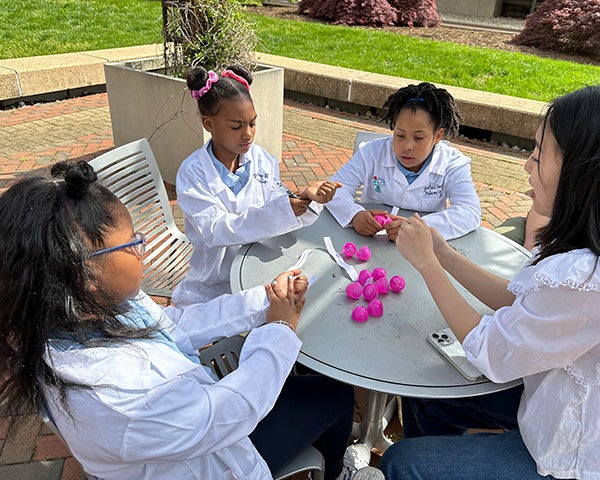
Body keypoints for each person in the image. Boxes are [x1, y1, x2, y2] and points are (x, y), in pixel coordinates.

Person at [0, 161, 383, 480]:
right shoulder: (119, 403)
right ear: (85, 274)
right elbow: (231, 412)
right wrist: (278, 331)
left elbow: (172, 324)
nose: (141, 248)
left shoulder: (81, 307)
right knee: (334, 394)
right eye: (132, 242)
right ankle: (337, 472)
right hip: (215, 456)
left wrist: (263, 300)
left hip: (200, 428)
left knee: (323, 391)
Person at [380, 84, 600, 479]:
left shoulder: (583, 278)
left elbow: (493, 352)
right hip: (551, 392)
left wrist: (428, 266)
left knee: (402, 462)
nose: (526, 166)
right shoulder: (578, 246)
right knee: (425, 396)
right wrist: (445, 256)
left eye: (537, 154)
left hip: (571, 451)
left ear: (580, 171)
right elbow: (517, 299)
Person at [172, 65, 342, 305]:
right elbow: (216, 230)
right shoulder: (193, 173)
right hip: (213, 282)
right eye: (236, 126)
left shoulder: (261, 159)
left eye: (252, 123)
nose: (248, 134)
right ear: (208, 124)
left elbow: (276, 202)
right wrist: (281, 211)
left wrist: (305, 199)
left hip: (261, 267)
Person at [325, 82, 481, 240]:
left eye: (419, 138)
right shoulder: (371, 152)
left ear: (438, 136)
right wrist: (354, 215)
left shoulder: (453, 163)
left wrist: (418, 228)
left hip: (422, 249)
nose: (407, 146)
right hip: (371, 241)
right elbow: (333, 190)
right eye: (400, 135)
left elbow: (469, 212)